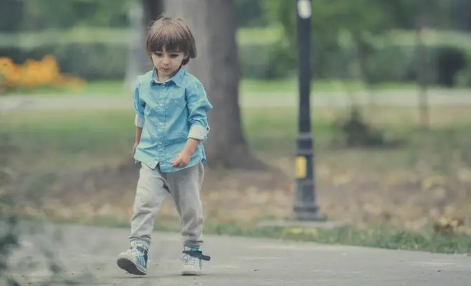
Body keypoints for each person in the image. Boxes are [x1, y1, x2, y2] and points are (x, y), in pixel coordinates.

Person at [116, 15, 212, 276]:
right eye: (158, 54)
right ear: (150, 53)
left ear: (186, 55)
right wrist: (137, 142)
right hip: (151, 157)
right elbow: (141, 116)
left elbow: (199, 123)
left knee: (190, 209)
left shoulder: (191, 87)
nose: (165, 61)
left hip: (185, 161)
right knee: (143, 204)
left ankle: (192, 251)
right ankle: (138, 251)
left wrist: (187, 152)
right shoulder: (142, 84)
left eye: (173, 54)